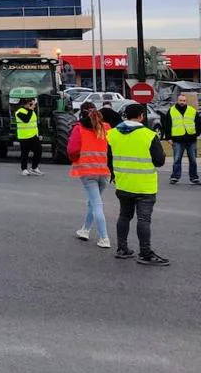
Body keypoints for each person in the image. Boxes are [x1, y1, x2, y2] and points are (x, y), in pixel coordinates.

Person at [107, 103, 168, 266]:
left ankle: (122, 248)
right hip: (144, 185)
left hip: (123, 183)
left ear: (126, 115)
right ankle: (145, 253)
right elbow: (160, 161)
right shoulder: (148, 135)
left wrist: (114, 175)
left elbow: (109, 159)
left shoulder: (112, 134)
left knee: (124, 215)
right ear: (141, 116)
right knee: (144, 219)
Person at [67, 102, 110, 248]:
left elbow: (72, 151)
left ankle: (104, 238)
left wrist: (76, 159)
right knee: (93, 202)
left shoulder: (78, 129)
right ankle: (85, 229)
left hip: (87, 171)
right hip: (104, 172)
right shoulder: (106, 128)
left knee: (96, 204)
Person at [164, 93, 199, 185]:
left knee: (193, 160)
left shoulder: (192, 110)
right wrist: (168, 138)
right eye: (180, 100)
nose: (182, 102)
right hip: (177, 140)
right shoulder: (171, 111)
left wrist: (197, 134)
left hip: (191, 140)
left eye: (184, 101)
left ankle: (194, 177)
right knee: (177, 160)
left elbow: (198, 123)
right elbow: (167, 125)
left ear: (186, 101)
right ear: (177, 101)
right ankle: (175, 177)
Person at [14, 97, 43, 176]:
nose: (34, 106)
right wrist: (30, 110)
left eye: (34, 104)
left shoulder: (32, 112)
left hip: (33, 136)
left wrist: (39, 134)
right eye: (32, 104)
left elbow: (35, 124)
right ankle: (24, 169)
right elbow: (26, 120)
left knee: (39, 151)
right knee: (25, 153)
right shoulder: (19, 112)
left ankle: (34, 167)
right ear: (26, 104)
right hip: (24, 136)